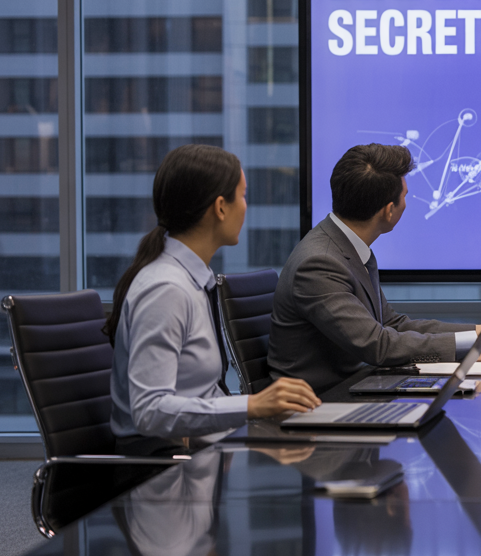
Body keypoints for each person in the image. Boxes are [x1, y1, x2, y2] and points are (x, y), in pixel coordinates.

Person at [107, 144, 321, 457]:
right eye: (243, 195)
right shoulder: (166, 290)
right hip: (162, 471)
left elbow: (200, 394)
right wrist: (252, 405)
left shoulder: (193, 280)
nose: (247, 206)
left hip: (206, 449)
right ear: (220, 207)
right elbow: (149, 411)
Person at [268, 143, 481, 394]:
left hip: (358, 389)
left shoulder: (344, 245)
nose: (406, 203)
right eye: (405, 197)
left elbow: (392, 324)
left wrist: (480, 333)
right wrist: (476, 347)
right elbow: (379, 346)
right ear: (389, 211)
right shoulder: (319, 264)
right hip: (323, 402)